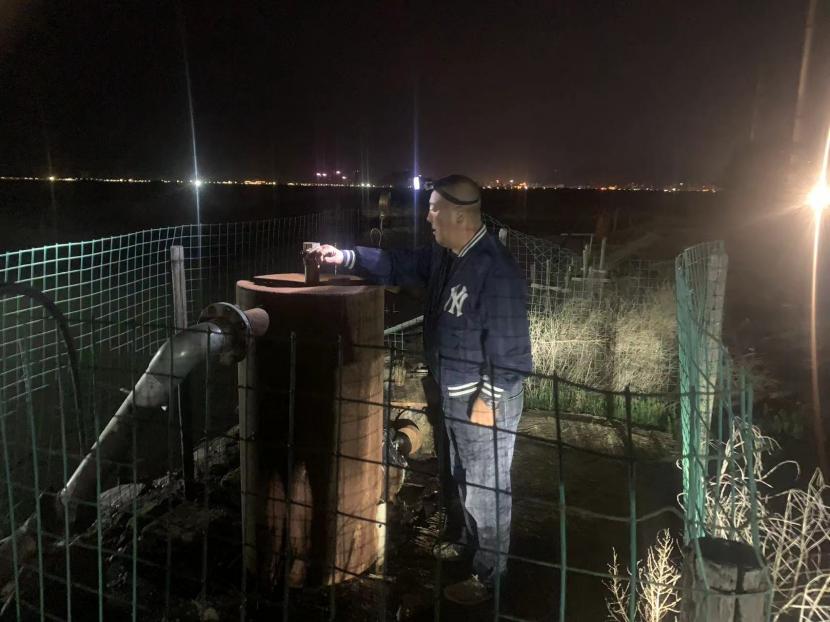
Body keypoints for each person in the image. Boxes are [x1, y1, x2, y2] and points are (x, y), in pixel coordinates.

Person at [314, 174, 532, 605]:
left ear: (459, 216)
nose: (427, 217)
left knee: (486, 489)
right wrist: (346, 257)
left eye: (433, 210)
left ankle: (489, 575)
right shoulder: (446, 256)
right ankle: (466, 543)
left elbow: (513, 355)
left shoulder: (495, 270)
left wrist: (487, 399)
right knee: (461, 477)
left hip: (483, 401)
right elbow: (399, 264)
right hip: (453, 393)